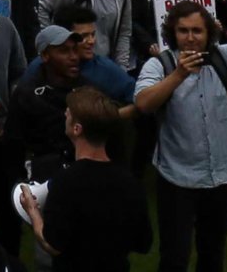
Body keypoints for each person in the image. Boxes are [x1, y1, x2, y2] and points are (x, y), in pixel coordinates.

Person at [134, 1, 227, 272]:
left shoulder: (223, 56)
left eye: (197, 31)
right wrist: (180, 74)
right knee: (174, 257)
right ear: (173, 33)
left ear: (208, 34)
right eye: (183, 31)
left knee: (213, 253)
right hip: (178, 178)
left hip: (221, 175)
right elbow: (144, 104)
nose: (191, 38)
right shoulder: (160, 65)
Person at [17, 91, 147, 272]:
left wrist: (32, 211)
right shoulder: (130, 182)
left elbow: (52, 244)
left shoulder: (66, 181)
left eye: (68, 112)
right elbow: (143, 242)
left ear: (77, 129)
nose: (64, 114)